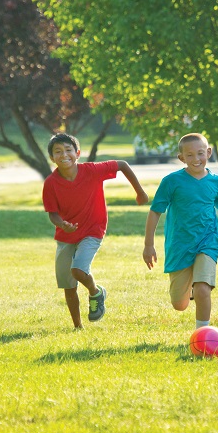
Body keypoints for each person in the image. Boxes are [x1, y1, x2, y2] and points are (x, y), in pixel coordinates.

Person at [43, 132, 149, 329]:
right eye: (58, 152)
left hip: (93, 229)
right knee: (68, 286)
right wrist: (62, 224)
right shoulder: (50, 183)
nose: (64, 154)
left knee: (78, 270)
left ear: (78, 153)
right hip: (66, 236)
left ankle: (95, 292)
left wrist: (140, 192)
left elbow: (122, 165)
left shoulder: (91, 170)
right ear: (52, 158)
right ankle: (78, 327)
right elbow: (52, 213)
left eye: (68, 150)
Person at [143, 133, 218, 330]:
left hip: (207, 241)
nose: (196, 159)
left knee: (202, 289)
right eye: (189, 155)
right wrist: (149, 245)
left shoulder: (216, 182)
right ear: (181, 158)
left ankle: (203, 333)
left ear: (208, 152)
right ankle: (189, 287)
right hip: (179, 244)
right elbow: (155, 211)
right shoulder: (171, 181)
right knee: (179, 304)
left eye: (200, 153)